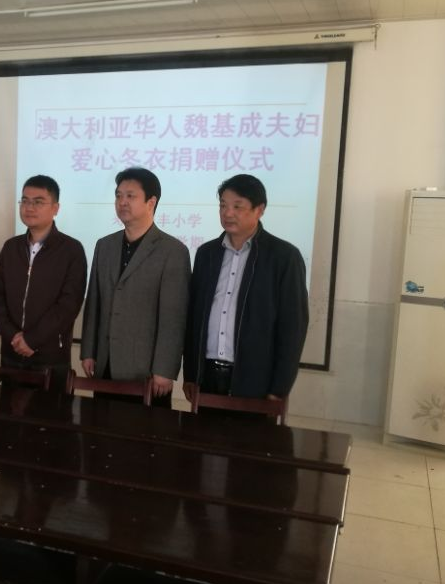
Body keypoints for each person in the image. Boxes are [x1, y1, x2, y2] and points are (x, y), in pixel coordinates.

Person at [183, 174, 308, 407]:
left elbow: (293, 328)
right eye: (223, 206)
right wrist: (191, 373)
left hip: (255, 380)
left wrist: (279, 388)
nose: (228, 213)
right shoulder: (206, 254)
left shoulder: (284, 257)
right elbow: (193, 318)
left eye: (237, 206)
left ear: (259, 210)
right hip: (207, 376)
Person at [80, 167, 190, 405]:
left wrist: (165, 369)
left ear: (151, 202)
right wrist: (88, 351)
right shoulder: (104, 245)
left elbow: (173, 318)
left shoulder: (173, 251)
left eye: (130, 196)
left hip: (147, 372)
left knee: (145, 428)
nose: (122, 202)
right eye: (118, 195)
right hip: (105, 363)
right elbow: (94, 303)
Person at [0, 175, 87, 391]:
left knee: (51, 412)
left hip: (50, 358)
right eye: (24, 201)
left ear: (55, 208)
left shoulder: (71, 250)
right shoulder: (11, 247)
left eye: (38, 202)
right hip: (11, 353)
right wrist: (13, 336)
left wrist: (32, 340)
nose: (29, 207)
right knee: (7, 410)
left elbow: (69, 304)